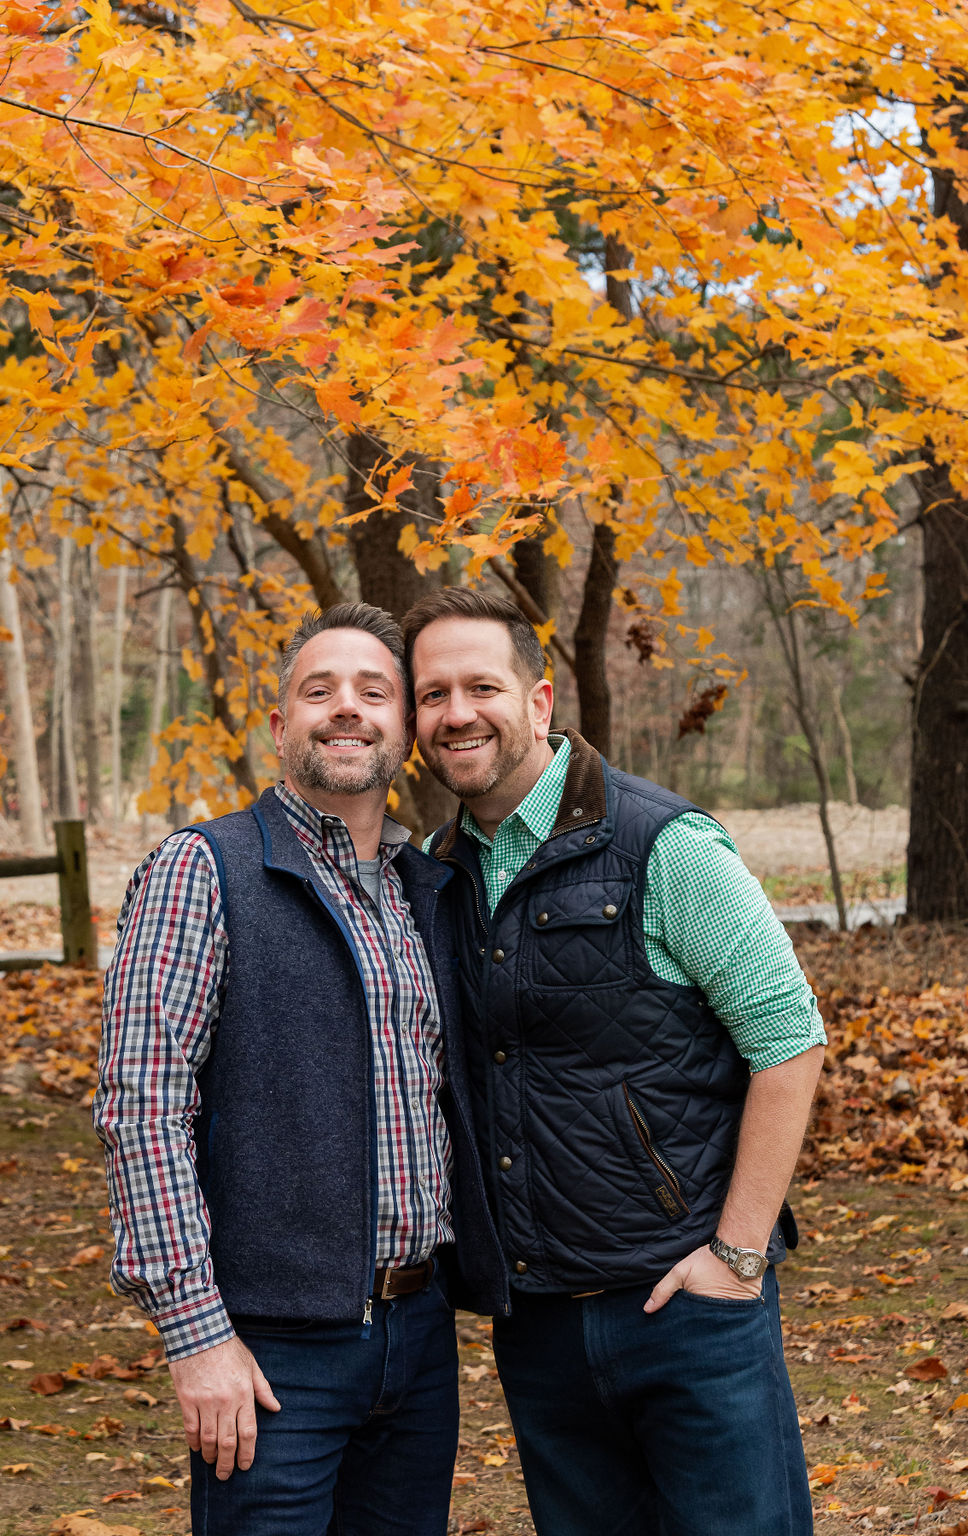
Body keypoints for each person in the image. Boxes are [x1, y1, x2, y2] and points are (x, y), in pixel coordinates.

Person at [403, 586, 826, 1536]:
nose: (457, 713)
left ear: (540, 701)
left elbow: (788, 1038)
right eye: (433, 695)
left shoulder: (664, 845)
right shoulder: (436, 874)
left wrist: (737, 1256)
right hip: (539, 1324)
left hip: (687, 1309)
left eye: (482, 686)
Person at [94, 602, 506, 1536]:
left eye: (373, 692)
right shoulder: (204, 868)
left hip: (419, 1339)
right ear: (282, 726)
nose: (346, 709)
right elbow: (141, 1108)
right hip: (273, 1353)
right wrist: (197, 1337)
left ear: (404, 728)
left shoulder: (426, 889)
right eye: (318, 691)